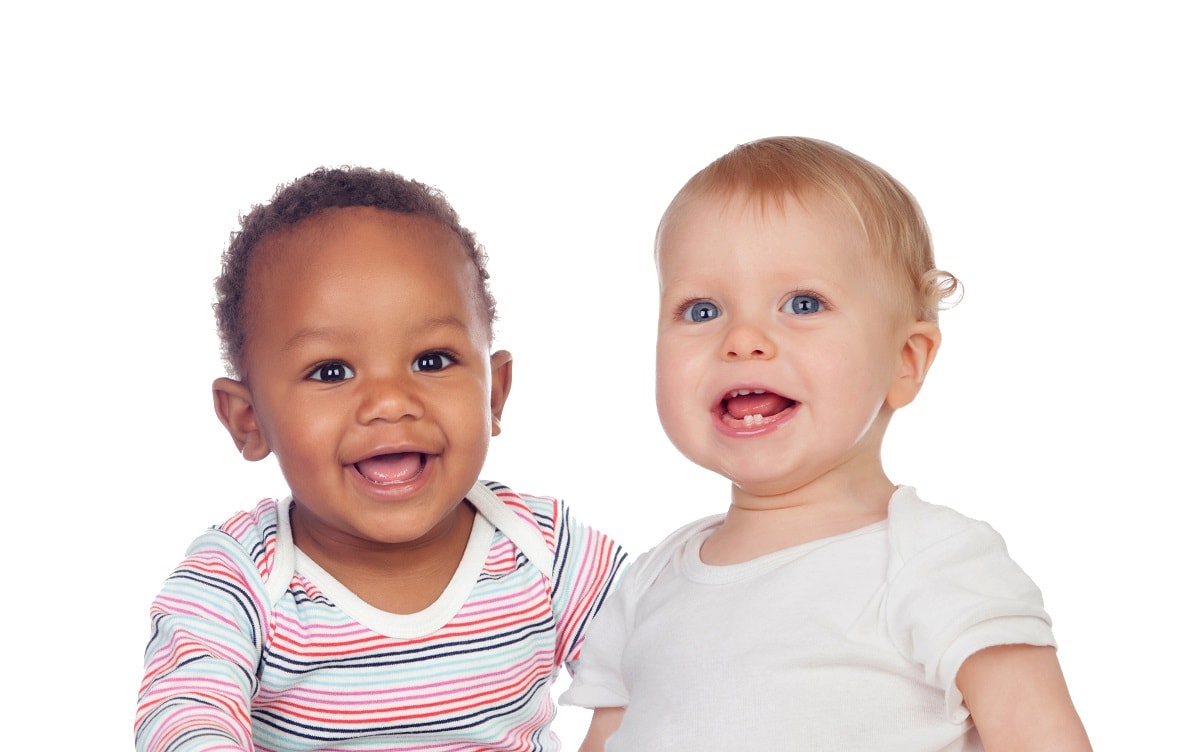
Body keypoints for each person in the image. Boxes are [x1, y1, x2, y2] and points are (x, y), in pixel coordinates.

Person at [562, 137, 1091, 750]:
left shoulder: (932, 561)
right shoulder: (647, 585)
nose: (743, 339)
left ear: (904, 360)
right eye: (702, 310)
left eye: (803, 303)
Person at [136, 167, 626, 752]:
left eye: (432, 360)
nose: (391, 402)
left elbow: (671, 658)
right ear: (249, 419)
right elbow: (185, 721)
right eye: (331, 371)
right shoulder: (237, 581)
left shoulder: (546, 550)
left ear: (493, 393)